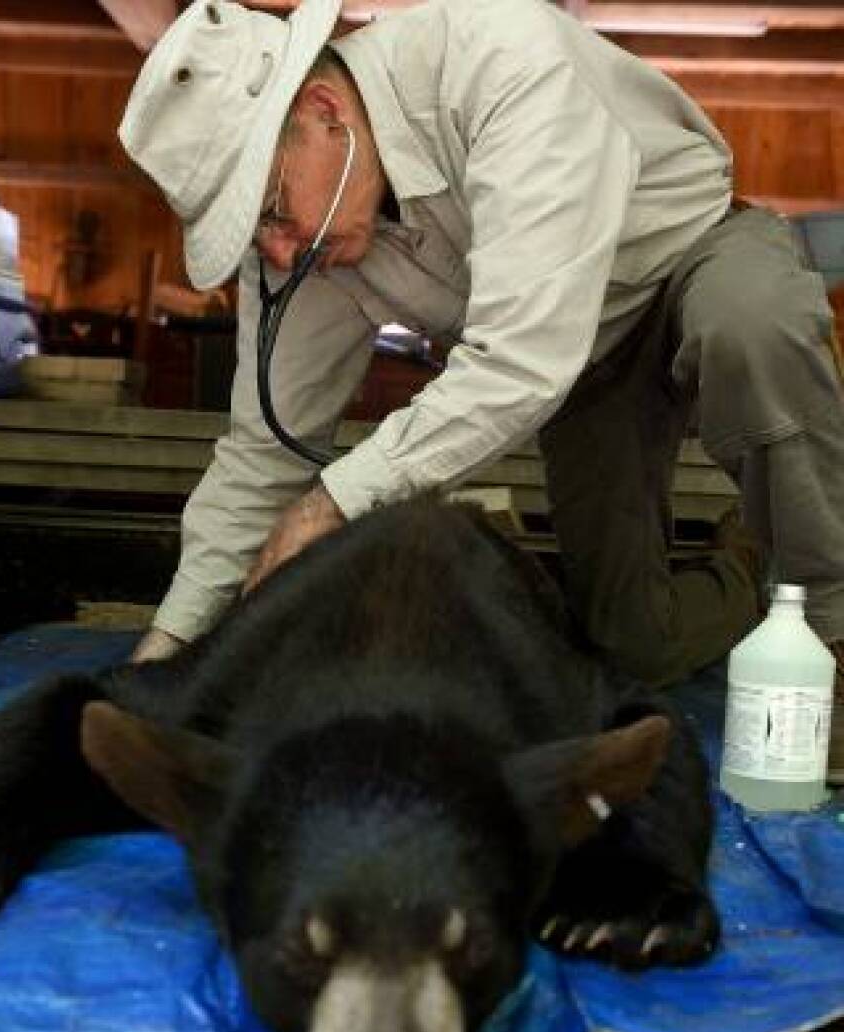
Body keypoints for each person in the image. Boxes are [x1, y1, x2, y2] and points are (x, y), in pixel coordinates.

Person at [118, 0, 844, 782]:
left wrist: (333, 505)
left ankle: (836, 628)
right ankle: (747, 550)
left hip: (689, 253)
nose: (280, 251)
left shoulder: (502, 58)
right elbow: (264, 452)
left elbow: (521, 360)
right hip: (591, 359)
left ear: (323, 111)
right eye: (256, 236)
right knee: (632, 641)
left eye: (271, 210)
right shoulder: (305, 249)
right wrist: (165, 657)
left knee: (749, 322)